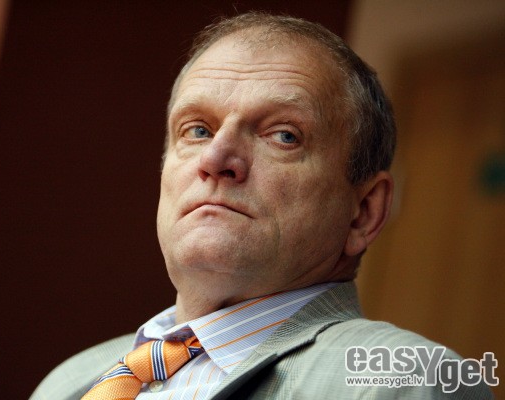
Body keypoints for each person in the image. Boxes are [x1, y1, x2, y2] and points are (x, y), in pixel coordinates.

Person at [31, 12, 494, 399]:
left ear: (364, 212)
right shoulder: (71, 381)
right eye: (197, 130)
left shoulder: (406, 381)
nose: (216, 159)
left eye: (284, 135)